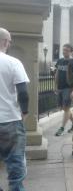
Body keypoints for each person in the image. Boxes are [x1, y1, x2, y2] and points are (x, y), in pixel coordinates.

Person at [0, 28, 29, 191]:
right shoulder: (13, 62)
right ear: (5, 42)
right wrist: (24, 112)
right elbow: (23, 93)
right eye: (9, 41)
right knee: (15, 164)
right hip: (10, 120)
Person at [54, 43, 73, 136]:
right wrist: (55, 85)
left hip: (68, 88)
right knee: (64, 108)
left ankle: (62, 128)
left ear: (71, 51)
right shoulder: (60, 61)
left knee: (66, 107)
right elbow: (57, 73)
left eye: (66, 50)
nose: (64, 51)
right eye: (63, 50)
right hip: (60, 87)